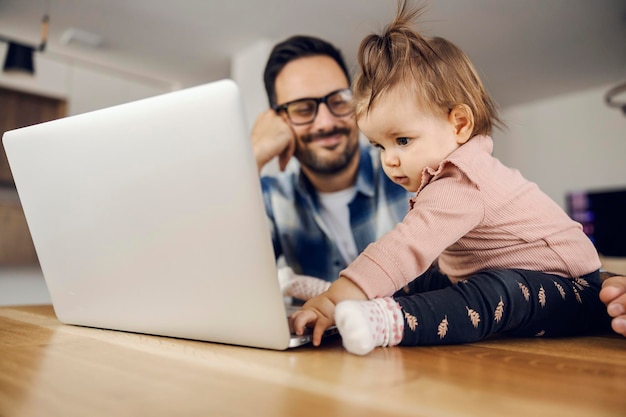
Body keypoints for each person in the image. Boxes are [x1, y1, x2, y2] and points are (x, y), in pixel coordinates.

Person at [290, 0, 613, 355]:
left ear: (459, 124)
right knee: (427, 275)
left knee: (495, 293)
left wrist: (337, 299)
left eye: (402, 140)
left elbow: (406, 246)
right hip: (493, 275)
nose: (390, 160)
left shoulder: (462, 179)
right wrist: (343, 290)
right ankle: (338, 294)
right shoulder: (446, 175)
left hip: (571, 290)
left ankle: (384, 318)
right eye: (379, 146)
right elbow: (411, 257)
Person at [251, 34, 412, 290]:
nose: (326, 123)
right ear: (279, 119)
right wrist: (253, 154)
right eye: (303, 109)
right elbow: (219, 275)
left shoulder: (410, 172)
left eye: (339, 101)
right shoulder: (270, 197)